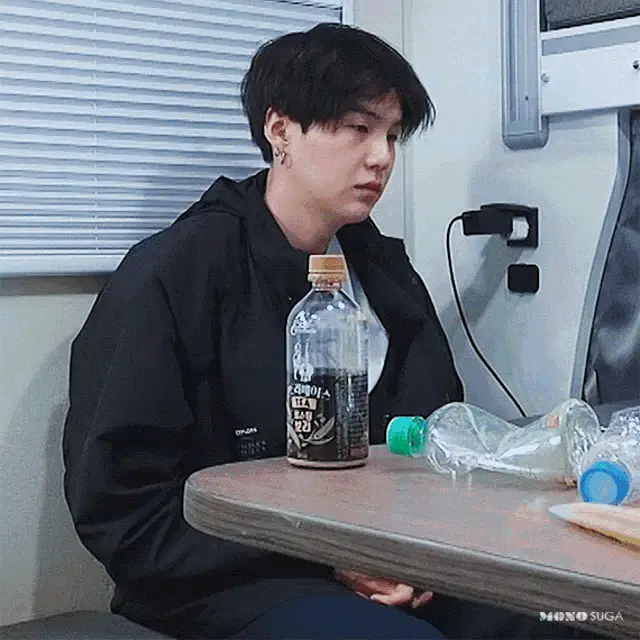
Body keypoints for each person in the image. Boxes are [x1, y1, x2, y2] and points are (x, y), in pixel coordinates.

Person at [62, 23, 605, 640]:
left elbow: (435, 439)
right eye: (357, 128)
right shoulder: (175, 274)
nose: (381, 157)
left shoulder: (384, 272)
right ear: (280, 131)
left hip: (395, 557)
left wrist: (435, 545)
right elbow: (123, 512)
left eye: (392, 135)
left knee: (579, 617)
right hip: (228, 579)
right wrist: (330, 559)